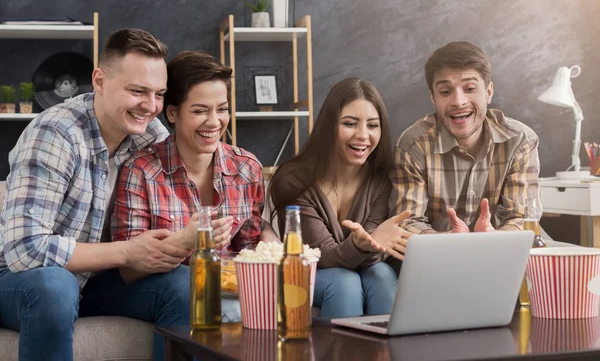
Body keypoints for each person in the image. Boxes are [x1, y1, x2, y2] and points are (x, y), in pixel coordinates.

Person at [0, 29, 194, 361]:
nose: (150, 107)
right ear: (99, 81)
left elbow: (185, 192)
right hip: (22, 281)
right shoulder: (56, 134)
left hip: (96, 280)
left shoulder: (150, 134)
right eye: (137, 91)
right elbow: (25, 248)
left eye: (159, 94)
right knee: (55, 287)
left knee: (184, 285)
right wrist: (127, 252)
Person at [111, 51, 280, 319]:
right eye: (200, 110)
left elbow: (250, 247)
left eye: (222, 109)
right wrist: (187, 242)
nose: (214, 122)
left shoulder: (247, 168)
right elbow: (129, 270)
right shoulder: (141, 170)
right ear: (173, 113)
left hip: (228, 289)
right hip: (166, 286)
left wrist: (268, 245)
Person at [269, 78, 412, 318]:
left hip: (364, 270)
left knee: (382, 275)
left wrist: (374, 244)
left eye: (372, 125)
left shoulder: (382, 180)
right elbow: (322, 256)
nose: (363, 135)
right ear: (329, 125)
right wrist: (363, 244)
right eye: (350, 123)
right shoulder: (293, 180)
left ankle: (386, 354)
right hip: (307, 271)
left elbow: (373, 253)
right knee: (344, 282)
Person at [389, 41, 541, 234]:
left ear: (488, 92)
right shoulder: (413, 146)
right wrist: (450, 241)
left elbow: (522, 218)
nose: (458, 102)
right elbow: (406, 221)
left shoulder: (520, 141)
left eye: (469, 89)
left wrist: (494, 237)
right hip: (437, 257)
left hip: (500, 253)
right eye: (445, 92)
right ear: (433, 98)